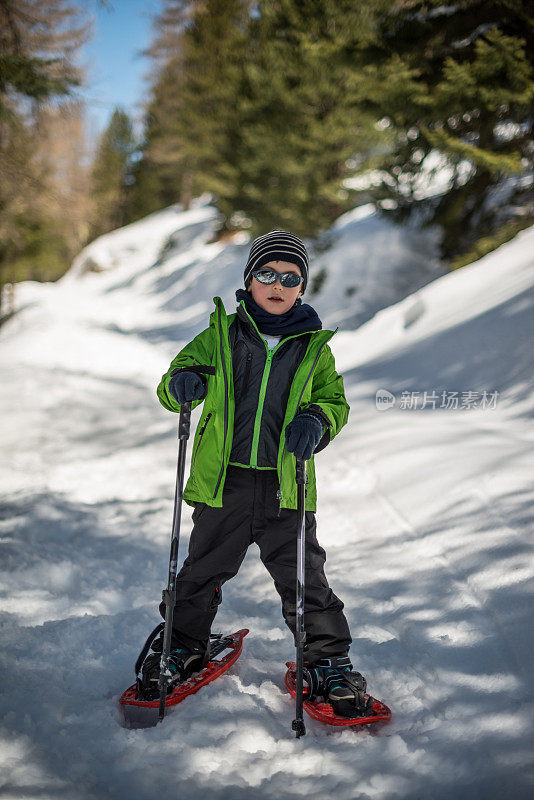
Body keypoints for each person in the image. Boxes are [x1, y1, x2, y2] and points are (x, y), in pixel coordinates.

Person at [137, 229, 365, 716]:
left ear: (302, 287)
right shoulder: (222, 334)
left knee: (304, 576)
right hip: (226, 483)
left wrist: (317, 420)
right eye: (267, 274)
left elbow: (335, 402)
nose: (278, 284)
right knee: (201, 570)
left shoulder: (313, 346)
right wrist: (184, 384)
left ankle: (327, 660)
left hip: (287, 486)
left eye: (290, 277)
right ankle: (183, 645)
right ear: (250, 280)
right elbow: (171, 382)